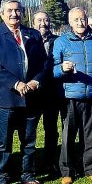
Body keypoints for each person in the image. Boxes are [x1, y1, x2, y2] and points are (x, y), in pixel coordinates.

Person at [0, 0, 49, 184]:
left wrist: (36, 81)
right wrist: (15, 83)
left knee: (28, 141)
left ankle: (28, 176)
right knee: (3, 143)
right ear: (2, 13)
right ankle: (2, 179)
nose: (14, 14)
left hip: (31, 98)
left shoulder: (33, 34)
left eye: (18, 10)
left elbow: (44, 64)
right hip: (6, 99)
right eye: (10, 11)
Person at [52, 7, 92, 184]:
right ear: (70, 22)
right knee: (68, 136)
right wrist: (62, 69)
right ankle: (67, 171)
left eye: (83, 19)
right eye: (76, 20)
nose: (80, 23)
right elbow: (53, 69)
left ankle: (91, 169)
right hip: (70, 96)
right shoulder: (61, 41)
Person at [32, 11, 63, 175]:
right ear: (33, 22)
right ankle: (31, 164)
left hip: (52, 93)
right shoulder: (27, 39)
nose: (43, 23)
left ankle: (50, 161)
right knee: (30, 130)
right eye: (39, 20)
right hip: (33, 93)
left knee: (51, 129)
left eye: (46, 20)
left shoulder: (58, 40)